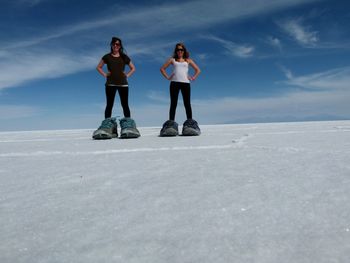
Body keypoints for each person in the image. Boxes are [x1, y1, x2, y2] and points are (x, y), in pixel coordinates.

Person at [92, 37, 140, 139]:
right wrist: (105, 74)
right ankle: (107, 127)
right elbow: (98, 67)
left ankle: (129, 125)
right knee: (109, 104)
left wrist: (127, 75)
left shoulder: (124, 57)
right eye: (114, 44)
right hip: (110, 84)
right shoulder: (107, 57)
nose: (115, 46)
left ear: (120, 46)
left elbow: (133, 68)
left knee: (125, 104)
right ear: (111, 45)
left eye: (117, 44)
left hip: (123, 84)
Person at [159, 43, 201, 136]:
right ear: (176, 51)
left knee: (187, 103)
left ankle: (190, 124)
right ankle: (171, 125)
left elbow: (198, 70)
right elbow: (162, 69)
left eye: (181, 50)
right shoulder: (172, 60)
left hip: (185, 84)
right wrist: (168, 77)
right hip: (174, 83)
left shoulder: (188, 60)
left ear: (184, 51)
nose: (180, 51)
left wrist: (193, 77)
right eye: (178, 50)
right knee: (173, 103)